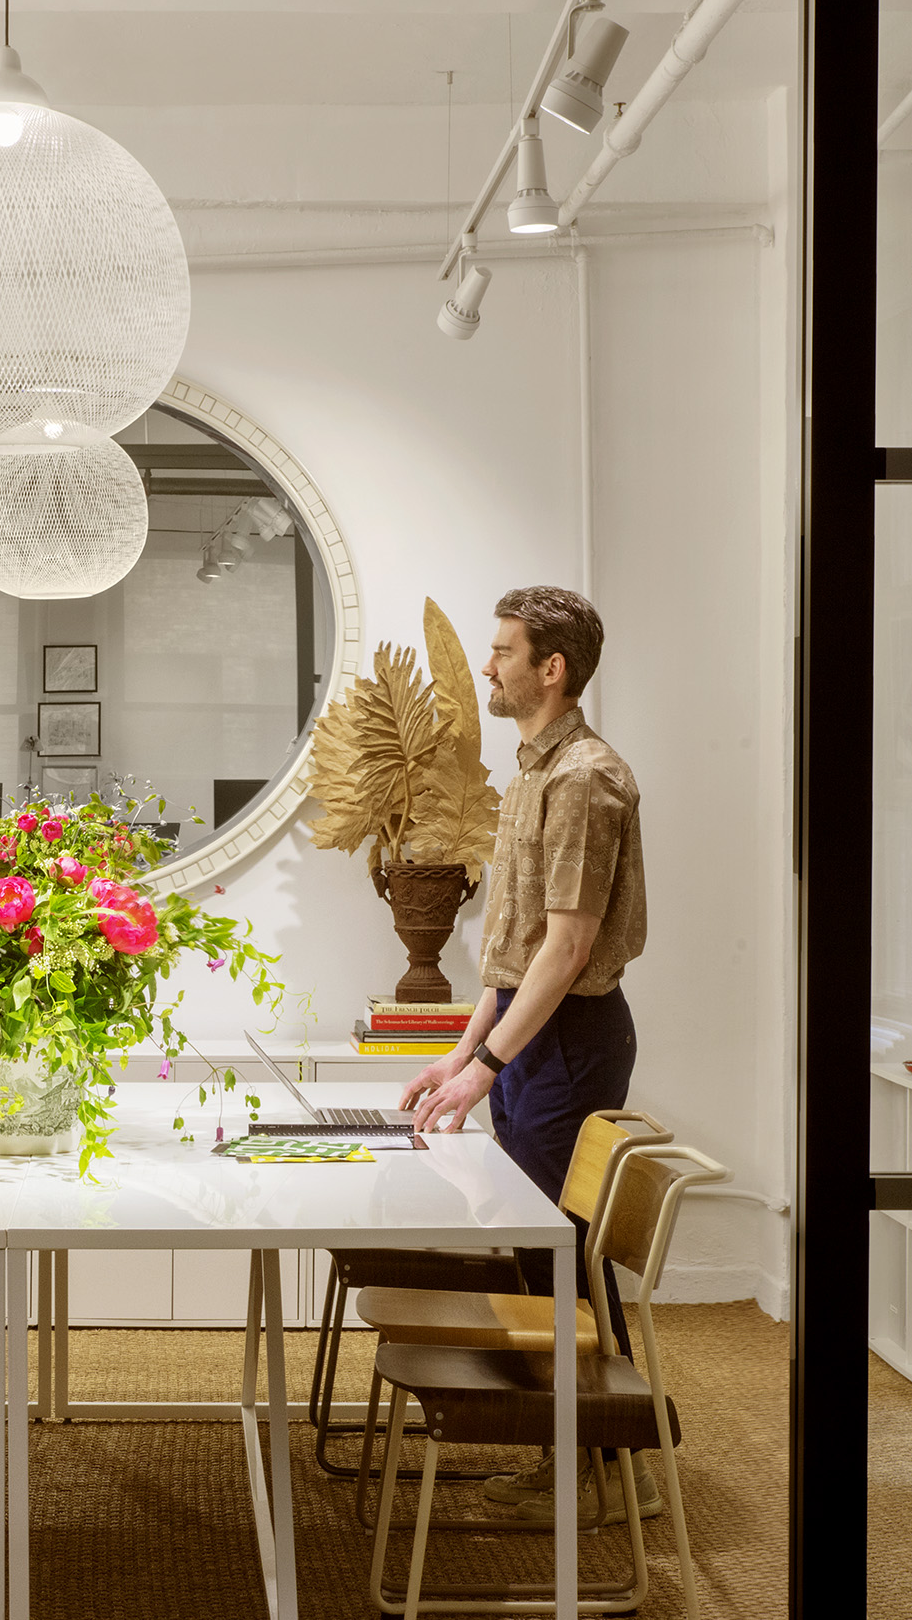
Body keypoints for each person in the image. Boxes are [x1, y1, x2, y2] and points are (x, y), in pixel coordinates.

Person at [393, 585, 657, 1524]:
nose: (489, 665)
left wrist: (489, 1068)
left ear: (553, 668)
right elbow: (510, 951)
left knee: (564, 1255)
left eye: (503, 651)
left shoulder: (585, 777)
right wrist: (460, 1051)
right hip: (528, 1036)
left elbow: (568, 948)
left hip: (571, 1042)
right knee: (536, 1251)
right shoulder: (533, 773)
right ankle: (572, 1452)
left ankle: (600, 1464)